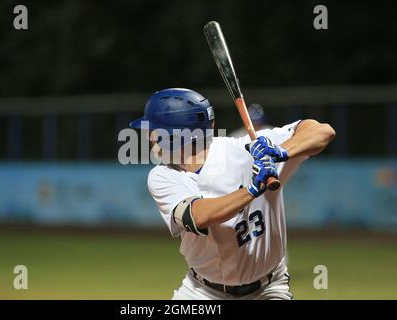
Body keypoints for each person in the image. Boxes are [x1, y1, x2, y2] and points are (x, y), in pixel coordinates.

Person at [129, 88, 335, 300]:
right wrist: (252, 189)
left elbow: (322, 131)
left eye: (151, 132)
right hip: (201, 291)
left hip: (268, 289)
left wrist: (281, 152)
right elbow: (198, 216)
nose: (148, 138)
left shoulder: (244, 150)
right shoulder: (162, 176)